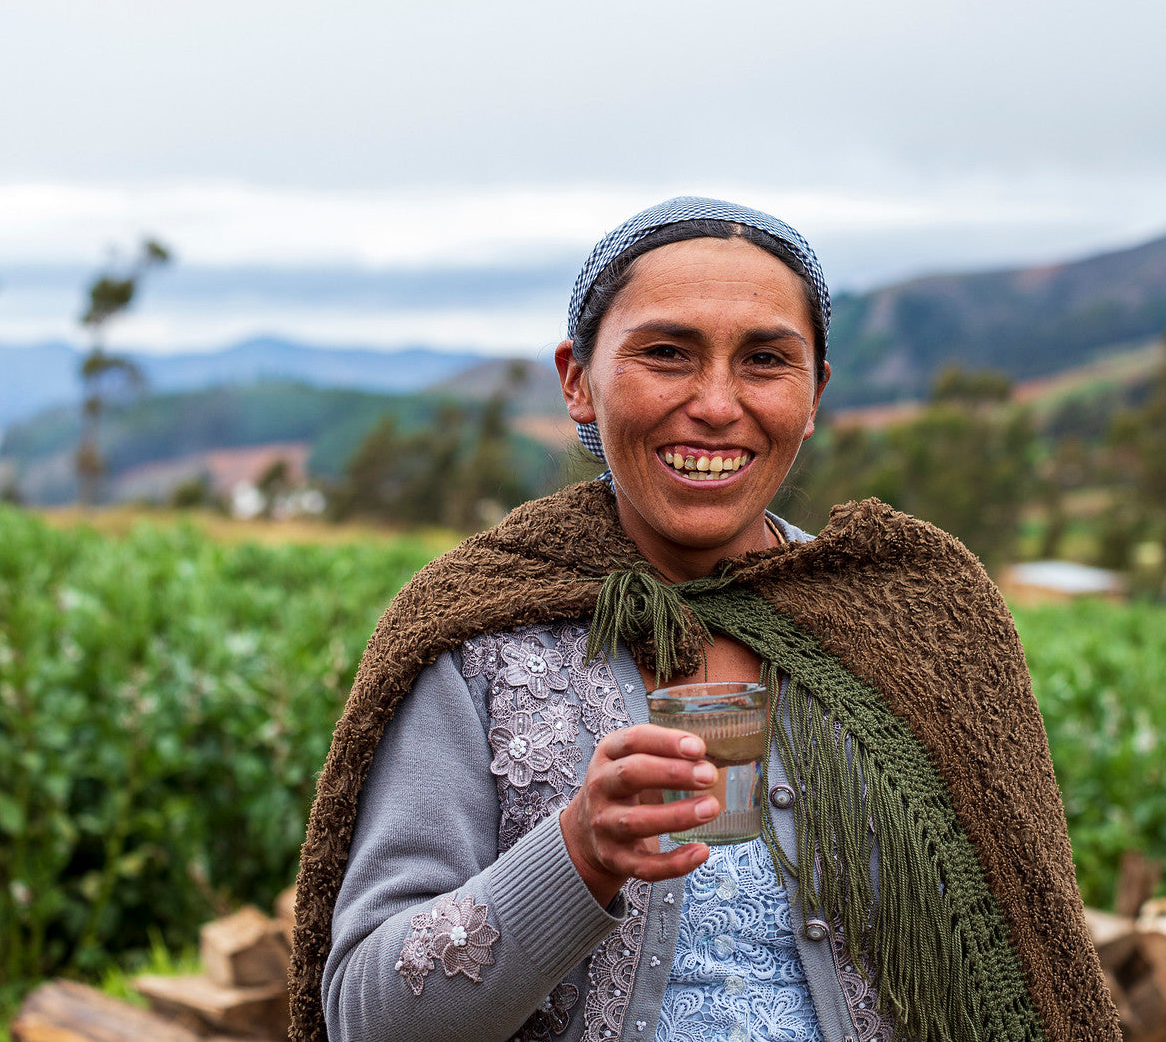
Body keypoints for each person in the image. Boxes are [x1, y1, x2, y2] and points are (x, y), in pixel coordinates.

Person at [289, 198, 1120, 1042]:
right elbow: (366, 1017)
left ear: (815, 392)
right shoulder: (479, 636)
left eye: (765, 360)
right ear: (578, 379)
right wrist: (576, 853)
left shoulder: (917, 620)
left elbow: (1031, 955)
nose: (718, 404)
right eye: (666, 353)